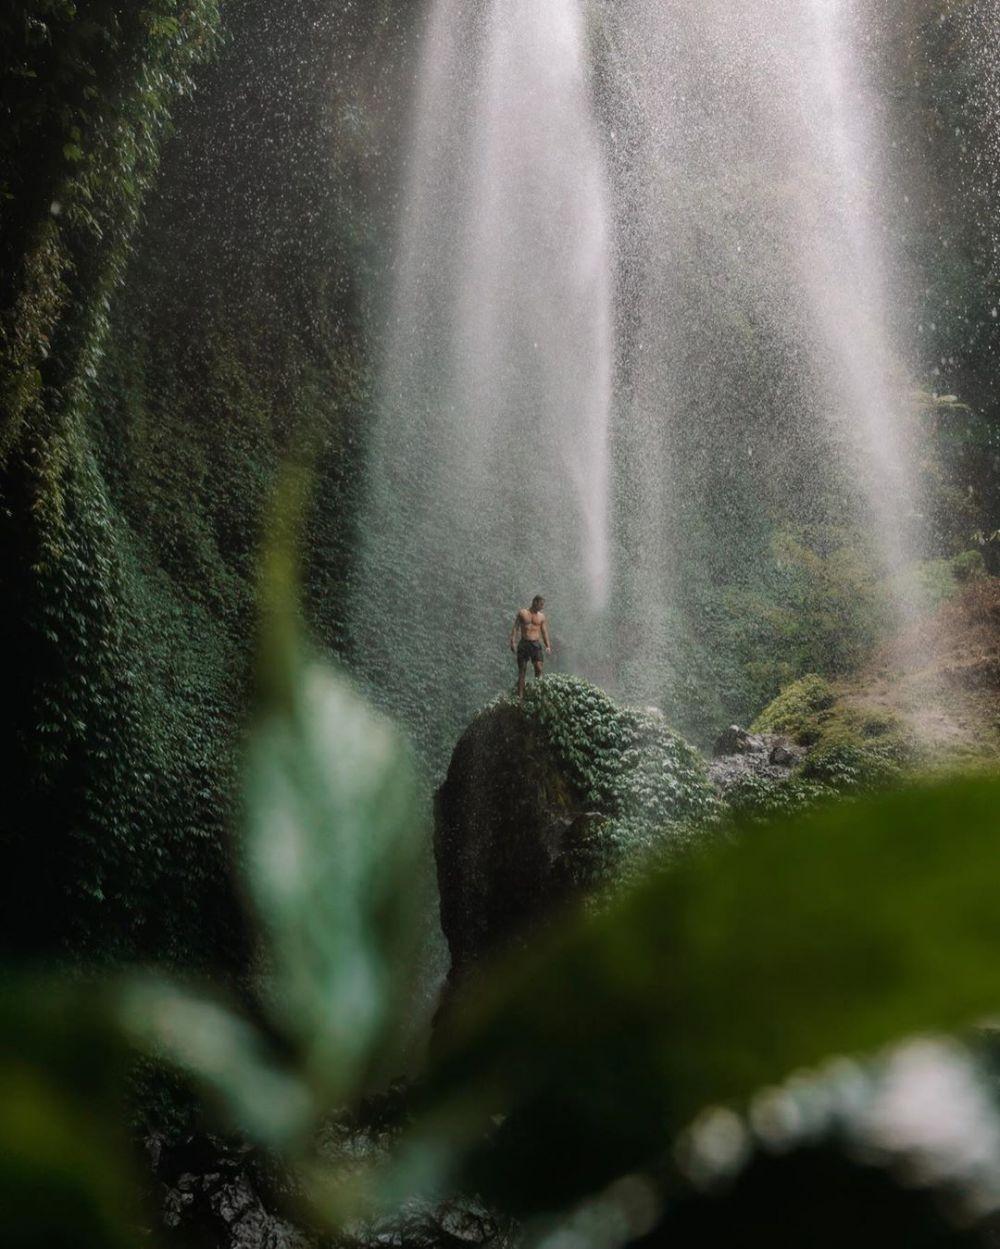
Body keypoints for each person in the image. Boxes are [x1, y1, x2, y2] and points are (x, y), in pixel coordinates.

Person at [509, 595, 552, 699]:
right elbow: (516, 628)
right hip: (524, 643)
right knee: (522, 670)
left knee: (538, 668)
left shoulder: (541, 616)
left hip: (535, 644)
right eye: (541, 604)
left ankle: (538, 693)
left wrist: (548, 645)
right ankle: (520, 697)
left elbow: (544, 631)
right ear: (535, 602)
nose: (542, 607)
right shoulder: (523, 613)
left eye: (543, 605)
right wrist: (512, 642)